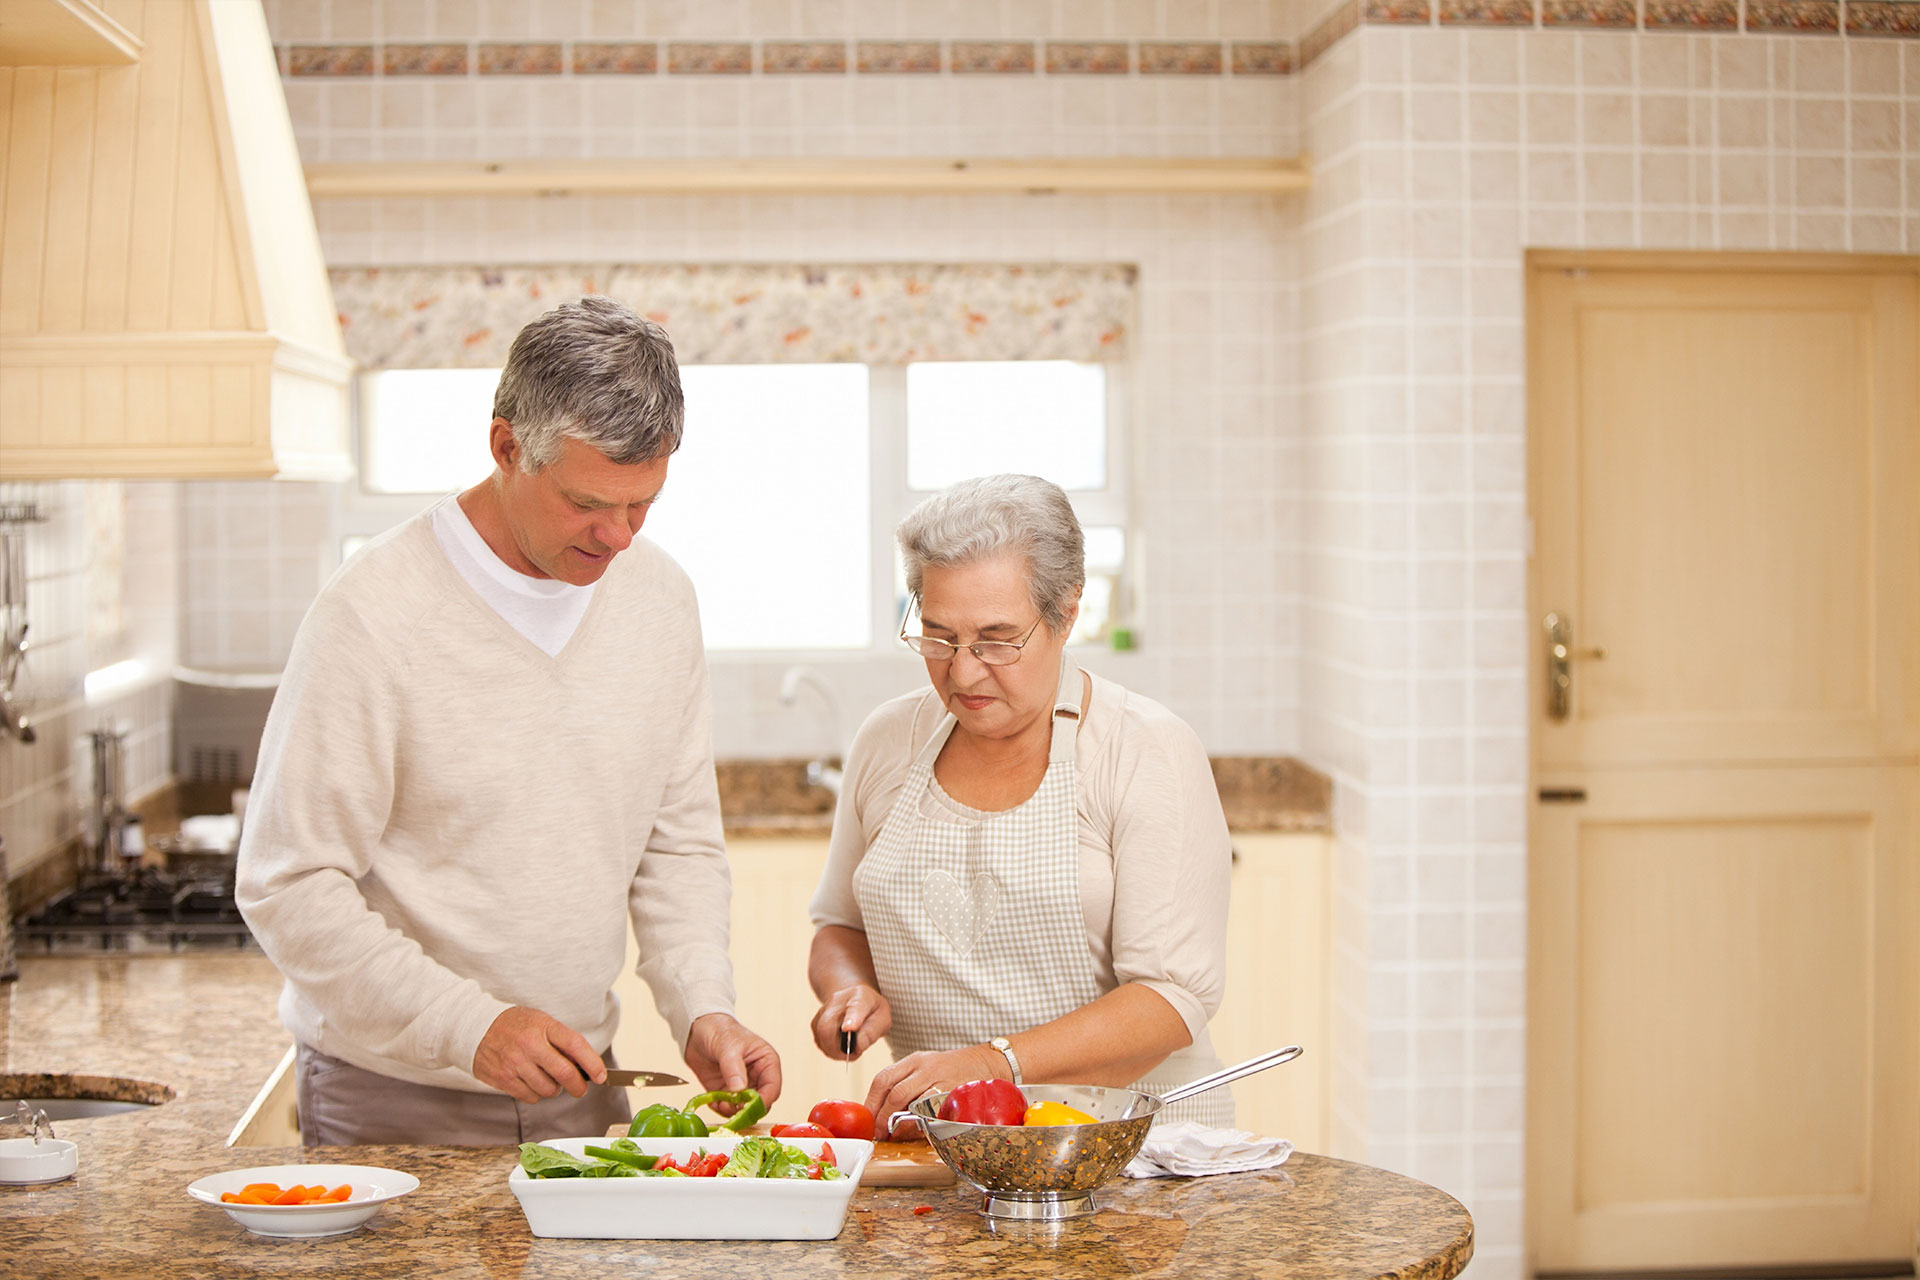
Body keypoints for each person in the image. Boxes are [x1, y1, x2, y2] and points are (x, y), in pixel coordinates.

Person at [237, 296, 781, 1145]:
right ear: (505, 447)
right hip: (394, 1097)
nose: (619, 538)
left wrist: (703, 1005)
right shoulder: (371, 615)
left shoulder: (661, 600)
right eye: (586, 503)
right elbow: (287, 881)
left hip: (585, 1092)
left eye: (643, 504)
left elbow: (675, 846)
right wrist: (470, 1027)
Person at [807, 474, 1234, 1134]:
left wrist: (993, 1063)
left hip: (1138, 1153)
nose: (965, 670)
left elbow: (1170, 999)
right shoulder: (890, 740)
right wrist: (849, 990)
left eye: (997, 639)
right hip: (951, 1145)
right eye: (939, 636)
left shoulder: (1145, 749)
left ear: (1066, 613)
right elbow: (840, 926)